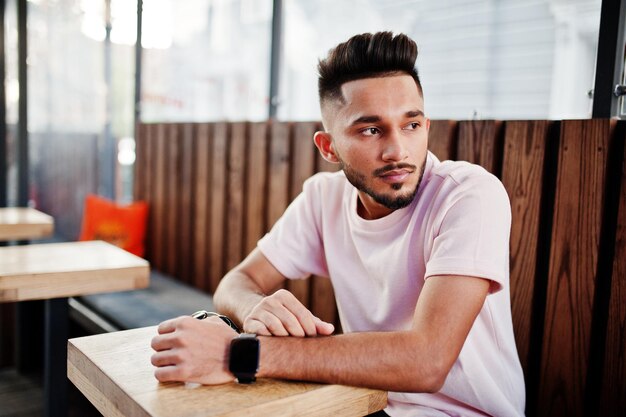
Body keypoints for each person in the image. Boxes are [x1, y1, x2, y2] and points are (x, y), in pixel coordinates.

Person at [150, 31, 525, 417]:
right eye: (371, 130)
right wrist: (257, 307)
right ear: (329, 148)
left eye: (411, 125)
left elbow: (427, 361)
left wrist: (237, 354)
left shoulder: (469, 195)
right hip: (362, 403)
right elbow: (236, 282)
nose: (398, 150)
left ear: (426, 126)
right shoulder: (323, 198)